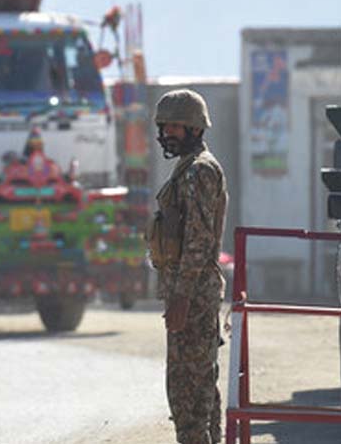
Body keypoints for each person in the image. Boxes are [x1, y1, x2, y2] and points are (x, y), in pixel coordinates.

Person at [147, 89, 228, 444]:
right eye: (164, 127)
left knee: (188, 393)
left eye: (174, 127)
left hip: (192, 296)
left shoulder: (198, 172)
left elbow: (199, 240)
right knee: (200, 389)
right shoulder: (189, 169)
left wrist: (181, 297)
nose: (167, 134)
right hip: (191, 293)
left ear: (195, 129)